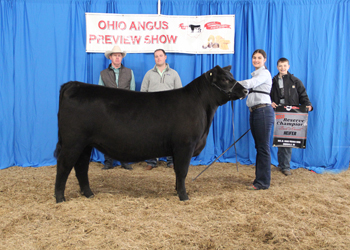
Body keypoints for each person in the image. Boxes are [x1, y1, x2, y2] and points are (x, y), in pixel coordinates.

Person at [140, 49, 182, 170]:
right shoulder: (149, 74)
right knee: (151, 135)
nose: (158, 58)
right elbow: (143, 92)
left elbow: (179, 93)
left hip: (170, 110)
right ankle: (151, 161)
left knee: (171, 136)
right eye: (156, 56)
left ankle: (171, 161)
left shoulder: (174, 74)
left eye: (160, 56)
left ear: (165, 57)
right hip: (152, 111)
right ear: (154, 59)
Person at [238, 49, 274, 190]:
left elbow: (251, 83)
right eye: (254, 57)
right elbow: (247, 91)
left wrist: (233, 83)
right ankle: (259, 179)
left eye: (259, 58)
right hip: (255, 112)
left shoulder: (264, 73)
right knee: (259, 147)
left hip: (263, 112)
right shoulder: (256, 74)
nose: (256, 60)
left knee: (263, 147)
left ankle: (263, 182)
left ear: (265, 60)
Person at [270, 57, 313, 176]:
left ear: (288, 67)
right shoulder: (272, 81)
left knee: (288, 140)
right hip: (278, 112)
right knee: (279, 139)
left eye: (284, 66)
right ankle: (281, 164)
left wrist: (308, 105)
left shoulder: (295, 81)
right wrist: (270, 101)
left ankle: (286, 166)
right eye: (280, 66)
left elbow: (303, 95)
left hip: (291, 114)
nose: (282, 68)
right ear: (277, 67)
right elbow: (267, 94)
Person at [98, 45, 135, 170]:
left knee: (125, 135)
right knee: (107, 135)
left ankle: (124, 161)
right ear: (110, 57)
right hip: (109, 109)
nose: (117, 57)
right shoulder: (103, 74)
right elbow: (101, 93)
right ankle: (108, 162)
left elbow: (133, 91)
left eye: (119, 55)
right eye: (115, 55)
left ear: (121, 57)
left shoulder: (129, 72)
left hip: (126, 109)